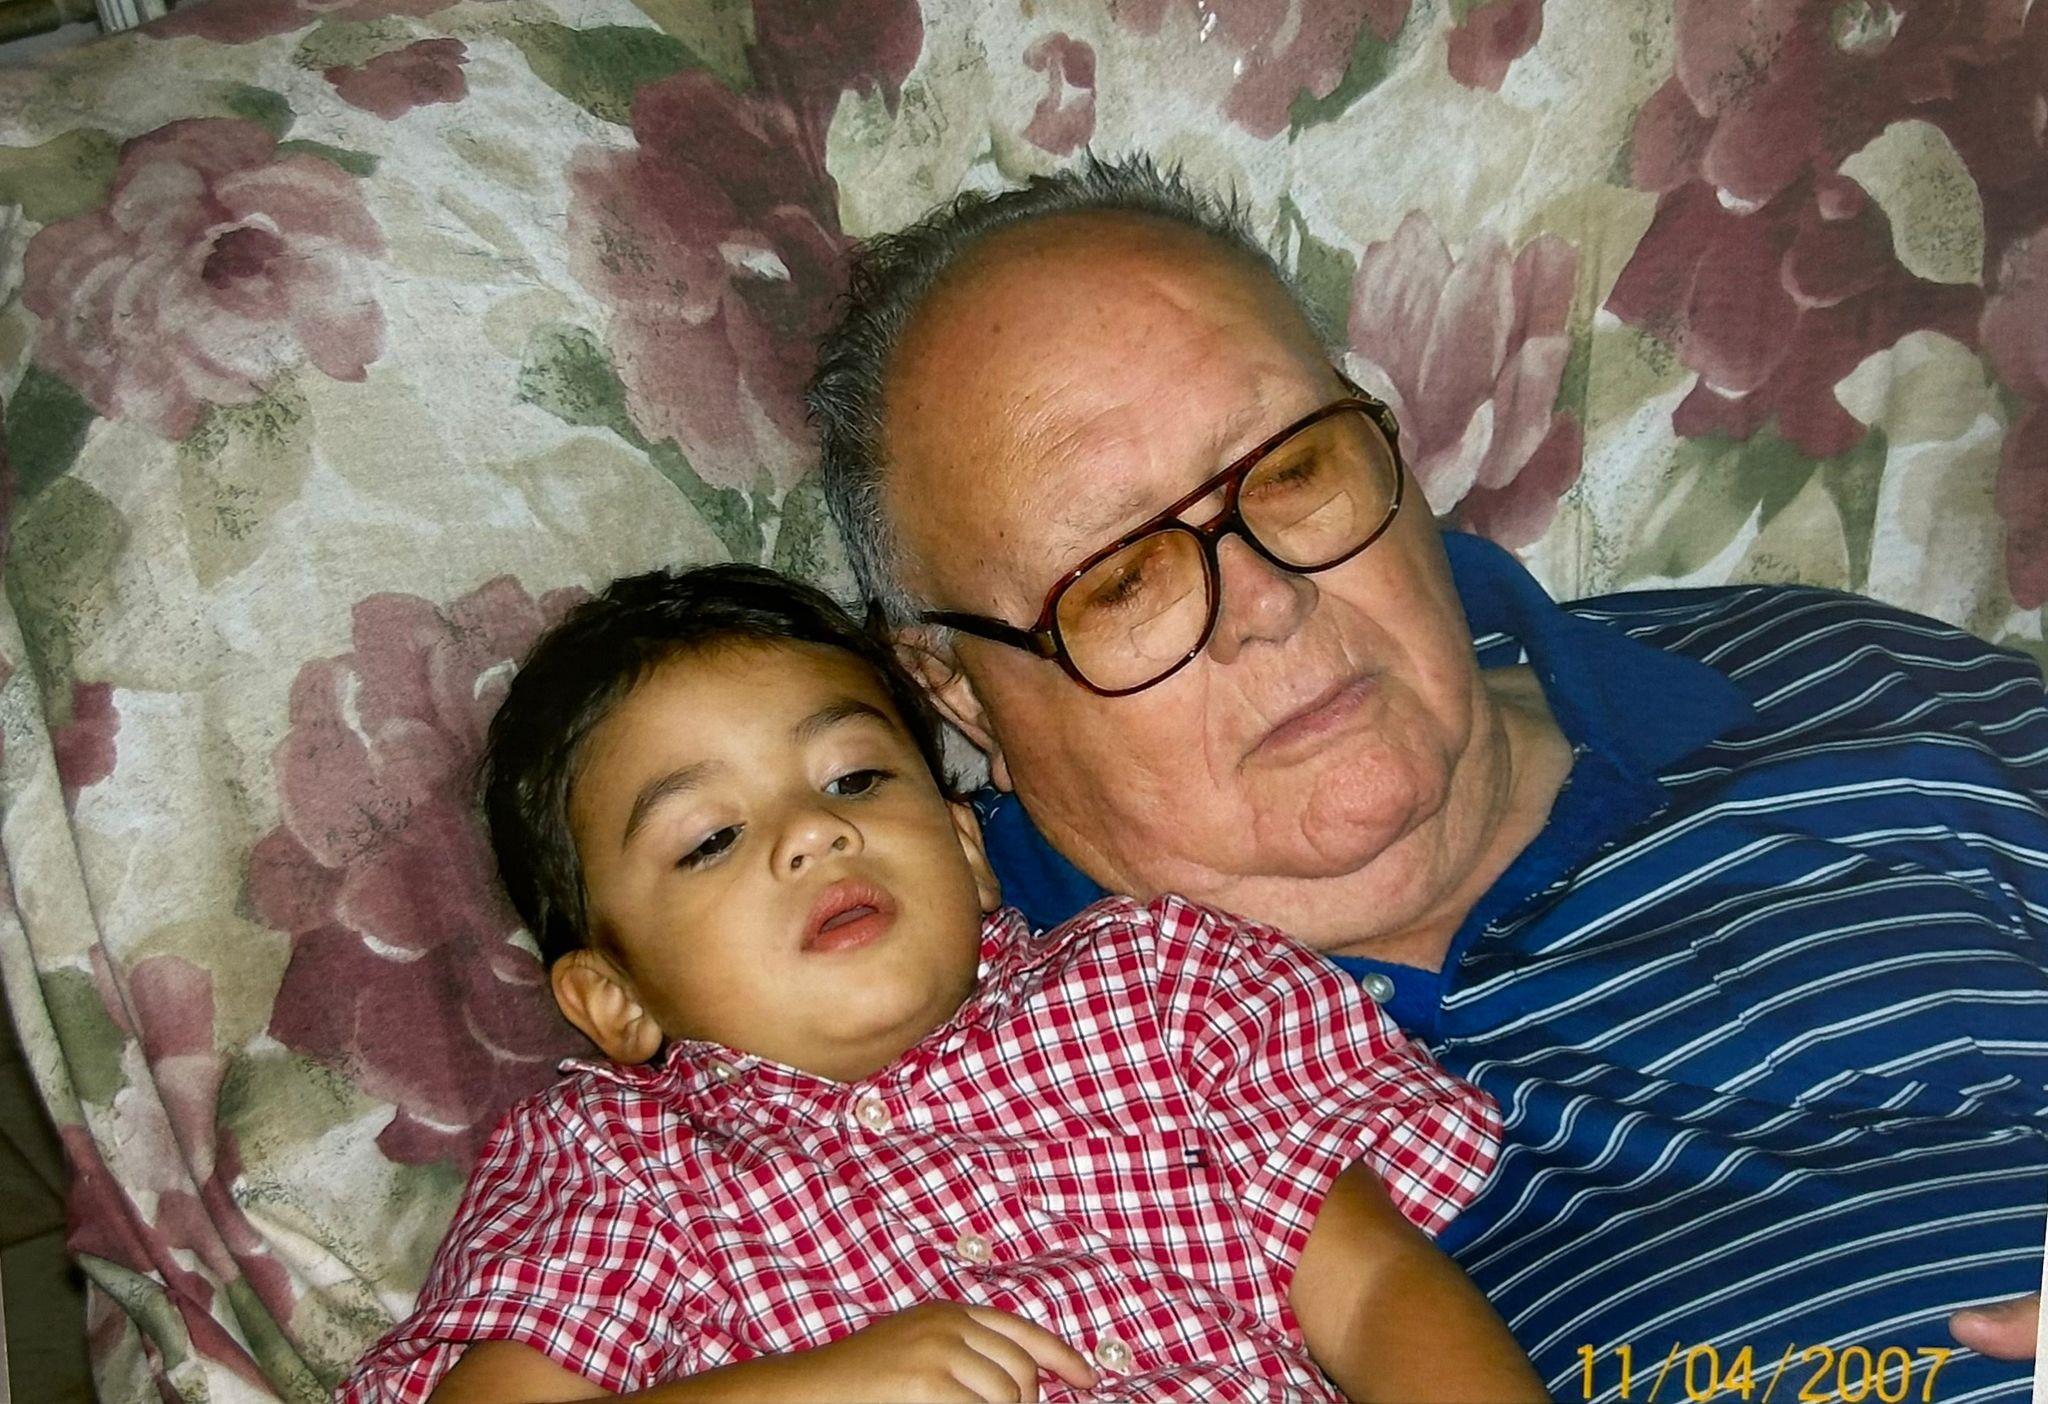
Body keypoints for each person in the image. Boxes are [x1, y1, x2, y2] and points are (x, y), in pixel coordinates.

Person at [806, 154, 2048, 1400]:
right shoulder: (880, 1032)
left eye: (1290, 472)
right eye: (1120, 579)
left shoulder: (1835, 685)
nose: (1270, 606)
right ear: (957, 690)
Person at [337, 564, 1547, 1404]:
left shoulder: (1155, 999)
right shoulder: (615, 1166)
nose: (811, 835)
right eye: (708, 839)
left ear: (967, 851)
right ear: (616, 1000)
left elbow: (1375, 1286)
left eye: (855, 779)